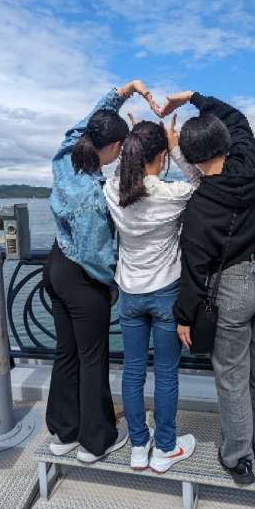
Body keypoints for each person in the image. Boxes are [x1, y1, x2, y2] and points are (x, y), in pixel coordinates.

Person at [158, 91, 255, 484]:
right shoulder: (248, 165)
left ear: (192, 159)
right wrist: (192, 98)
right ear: (226, 142)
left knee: (232, 377)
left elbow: (194, 271)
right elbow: (238, 118)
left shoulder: (199, 208)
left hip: (232, 286)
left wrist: (184, 317)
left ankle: (239, 459)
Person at [44, 80, 158, 463]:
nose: (120, 154)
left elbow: (85, 123)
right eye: (120, 148)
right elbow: (97, 256)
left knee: (66, 353)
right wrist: (110, 285)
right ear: (112, 147)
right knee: (93, 359)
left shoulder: (65, 159)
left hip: (55, 268)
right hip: (81, 279)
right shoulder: (95, 196)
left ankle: (64, 432)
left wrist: (124, 91)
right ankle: (96, 442)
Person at [104, 115, 198, 473]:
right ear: (161, 156)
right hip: (165, 293)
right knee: (166, 373)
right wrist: (175, 147)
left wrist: (137, 139)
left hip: (129, 293)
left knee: (132, 372)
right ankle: (166, 448)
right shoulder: (173, 194)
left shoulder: (113, 190)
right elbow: (202, 182)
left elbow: (125, 173)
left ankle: (139, 446)